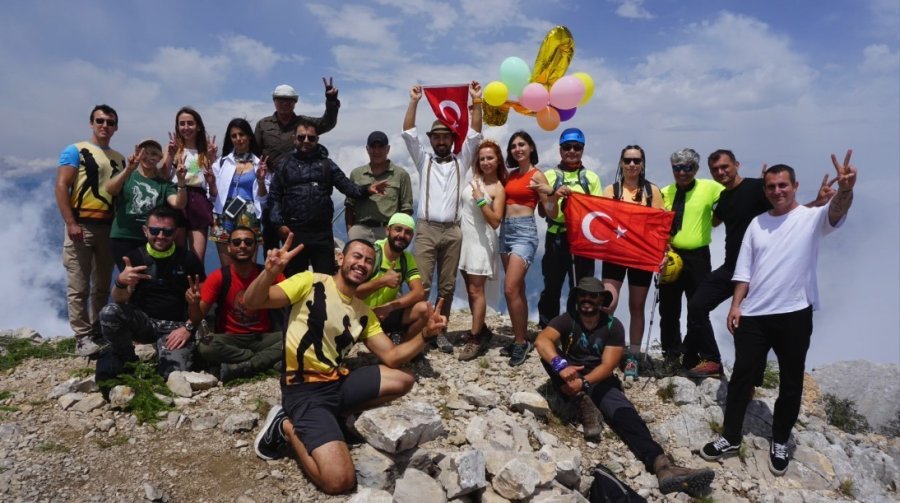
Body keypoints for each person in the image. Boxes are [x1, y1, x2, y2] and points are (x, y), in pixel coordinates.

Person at [245, 236, 447, 495]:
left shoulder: (364, 312)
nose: (362, 264)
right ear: (341, 259)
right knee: (339, 481)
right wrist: (269, 273)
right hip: (304, 391)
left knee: (404, 379)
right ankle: (285, 425)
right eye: (357, 256)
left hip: (337, 384)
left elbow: (393, 357)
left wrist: (425, 335)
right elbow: (252, 302)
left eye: (369, 261)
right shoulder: (310, 282)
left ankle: (337, 417)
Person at [700, 153, 856, 476]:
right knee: (742, 375)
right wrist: (735, 304)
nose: (777, 191)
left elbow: (837, 211)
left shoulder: (811, 218)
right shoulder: (758, 223)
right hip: (754, 313)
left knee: (791, 381)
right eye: (771, 186)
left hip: (795, 314)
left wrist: (845, 190)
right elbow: (744, 270)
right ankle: (730, 437)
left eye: (783, 185)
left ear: (795, 186)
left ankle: (780, 439)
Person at [535, 277, 715, 496]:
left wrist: (583, 382)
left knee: (625, 415)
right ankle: (582, 402)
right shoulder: (566, 319)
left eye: (593, 295)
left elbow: (609, 365)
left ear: (602, 299)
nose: (587, 299)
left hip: (599, 378)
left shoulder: (613, 325)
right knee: (549, 356)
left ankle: (661, 465)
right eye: (583, 294)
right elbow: (542, 341)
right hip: (570, 374)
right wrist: (561, 365)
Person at [684, 149, 834, 378]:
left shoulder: (758, 187)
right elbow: (714, 221)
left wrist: (818, 203)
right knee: (696, 306)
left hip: (761, 270)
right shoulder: (724, 198)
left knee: (751, 325)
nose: (720, 172)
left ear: (737, 164)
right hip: (732, 267)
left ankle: (754, 378)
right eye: (715, 169)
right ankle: (712, 361)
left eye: (725, 166)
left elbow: (790, 213)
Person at [401, 81, 483, 353]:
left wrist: (477, 101)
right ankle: (414, 331)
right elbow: (408, 133)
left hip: (452, 230)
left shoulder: (461, 160)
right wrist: (414, 101)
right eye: (436, 137)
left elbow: (475, 134)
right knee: (421, 285)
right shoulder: (424, 160)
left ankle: (440, 330)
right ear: (432, 140)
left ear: (451, 139)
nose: (440, 141)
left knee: (446, 286)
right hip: (426, 228)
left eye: (445, 137)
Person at [95, 205, 205, 383]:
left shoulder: (188, 260)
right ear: (145, 231)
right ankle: (126, 358)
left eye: (167, 232)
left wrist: (188, 327)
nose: (160, 236)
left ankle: (164, 357)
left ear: (175, 232)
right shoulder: (134, 258)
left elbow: (203, 303)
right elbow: (119, 300)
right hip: (144, 323)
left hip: (176, 327)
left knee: (173, 375)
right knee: (108, 312)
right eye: (154, 230)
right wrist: (121, 282)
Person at [267, 119, 387, 276]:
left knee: (325, 282)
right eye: (301, 137)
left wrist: (367, 189)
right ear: (294, 139)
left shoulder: (327, 165)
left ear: (317, 139)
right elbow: (274, 196)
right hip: (294, 232)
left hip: (322, 233)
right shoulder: (283, 165)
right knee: (294, 282)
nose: (306, 141)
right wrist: (279, 225)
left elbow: (348, 187)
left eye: (311, 138)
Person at [54, 104, 126, 357]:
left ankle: (98, 331)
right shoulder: (75, 150)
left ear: (116, 127)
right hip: (81, 225)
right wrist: (71, 223)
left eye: (109, 122)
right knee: (79, 284)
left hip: (108, 228)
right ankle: (82, 336)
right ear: (91, 123)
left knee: (102, 285)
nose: (104, 126)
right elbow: (62, 186)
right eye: (100, 121)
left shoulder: (119, 158)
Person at [185, 227, 283, 382]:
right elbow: (197, 318)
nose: (242, 246)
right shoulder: (219, 276)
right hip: (231, 339)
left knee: (296, 337)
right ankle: (263, 361)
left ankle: (247, 365)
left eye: (248, 242)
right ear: (229, 247)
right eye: (237, 242)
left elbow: (291, 297)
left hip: (263, 337)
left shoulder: (268, 274)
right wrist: (193, 304)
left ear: (254, 246)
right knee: (206, 346)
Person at [600, 145, 664, 378]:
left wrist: (661, 253)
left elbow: (659, 225)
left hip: (641, 256)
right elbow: (601, 219)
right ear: (621, 163)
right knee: (607, 303)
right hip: (615, 254)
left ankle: (633, 357)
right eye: (627, 160)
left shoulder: (652, 192)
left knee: (636, 307)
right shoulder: (611, 190)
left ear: (643, 164)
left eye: (636, 161)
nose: (632, 165)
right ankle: (604, 349)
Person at [256, 79, 341, 255]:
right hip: (272, 188)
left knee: (295, 246)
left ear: (295, 103)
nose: (284, 103)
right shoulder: (263, 125)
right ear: (274, 101)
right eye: (280, 99)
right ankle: (273, 279)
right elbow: (254, 151)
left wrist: (331, 101)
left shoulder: (304, 123)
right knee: (271, 241)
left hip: (298, 192)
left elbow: (328, 123)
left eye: (289, 100)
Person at [657, 148, 723, 372]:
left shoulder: (710, 188)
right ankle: (671, 353)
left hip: (698, 257)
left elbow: (733, 196)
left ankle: (695, 356)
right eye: (677, 168)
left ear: (696, 168)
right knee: (668, 308)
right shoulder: (665, 192)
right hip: (670, 255)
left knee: (697, 307)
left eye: (688, 167)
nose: (682, 172)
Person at [537, 128, 603, 329]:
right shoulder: (548, 176)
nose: (572, 151)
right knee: (552, 286)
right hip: (556, 236)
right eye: (567, 147)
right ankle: (548, 328)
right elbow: (544, 211)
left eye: (577, 147)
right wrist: (554, 197)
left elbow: (598, 210)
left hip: (582, 239)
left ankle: (575, 328)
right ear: (560, 150)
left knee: (581, 288)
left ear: (582, 150)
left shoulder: (591, 178)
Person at [499, 131, 552, 366]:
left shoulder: (537, 174)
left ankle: (521, 342)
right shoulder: (511, 176)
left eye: (522, 144)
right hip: (506, 232)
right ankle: (519, 337)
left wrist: (551, 194)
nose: (517, 149)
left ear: (531, 147)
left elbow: (551, 211)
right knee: (517, 289)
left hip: (524, 232)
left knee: (510, 288)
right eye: (513, 146)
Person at [106, 139, 187, 272]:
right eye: (144, 152)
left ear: (160, 158)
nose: (149, 157)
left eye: (154, 154)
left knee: (146, 278)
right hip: (123, 237)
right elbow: (110, 189)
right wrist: (128, 169)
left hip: (150, 239)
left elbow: (178, 203)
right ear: (137, 153)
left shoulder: (164, 184)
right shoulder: (127, 176)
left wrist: (181, 181)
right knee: (128, 277)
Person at [457, 140, 506, 362]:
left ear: (498, 161)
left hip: (481, 243)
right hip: (465, 240)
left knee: (477, 291)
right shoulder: (474, 179)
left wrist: (479, 201)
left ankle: (475, 338)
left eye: (490, 158)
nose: (486, 162)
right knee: (471, 289)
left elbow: (496, 221)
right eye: (483, 158)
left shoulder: (498, 188)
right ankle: (481, 328)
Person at [354, 213, 429, 343]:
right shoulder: (372, 254)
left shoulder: (406, 258)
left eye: (408, 232)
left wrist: (389, 307)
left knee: (424, 309)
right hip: (358, 316)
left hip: (384, 315)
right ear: (387, 230)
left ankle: (402, 349)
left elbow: (419, 292)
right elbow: (350, 292)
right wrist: (382, 281)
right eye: (398, 229)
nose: (402, 235)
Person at [210, 118, 271, 267]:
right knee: (226, 267)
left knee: (248, 266)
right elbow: (212, 195)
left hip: (249, 213)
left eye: (242, 134)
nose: (238, 139)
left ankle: (249, 291)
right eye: (234, 136)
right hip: (223, 213)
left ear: (250, 136)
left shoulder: (260, 164)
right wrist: (211, 182)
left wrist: (261, 180)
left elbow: (264, 199)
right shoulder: (221, 163)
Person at [161, 106, 219, 262]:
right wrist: (170, 156)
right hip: (176, 197)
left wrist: (213, 159)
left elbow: (213, 188)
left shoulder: (205, 150)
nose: (186, 128)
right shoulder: (172, 148)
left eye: (190, 123)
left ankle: (196, 285)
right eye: (182, 124)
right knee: (176, 256)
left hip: (198, 200)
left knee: (196, 259)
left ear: (198, 126)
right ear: (177, 127)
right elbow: (164, 177)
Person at [345, 131, 414, 242]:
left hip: (387, 231)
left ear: (388, 149)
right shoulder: (356, 174)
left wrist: (399, 233)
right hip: (360, 230)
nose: (376, 151)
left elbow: (406, 208)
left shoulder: (401, 175)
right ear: (367, 149)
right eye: (373, 147)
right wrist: (350, 230)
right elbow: (349, 204)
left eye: (381, 147)